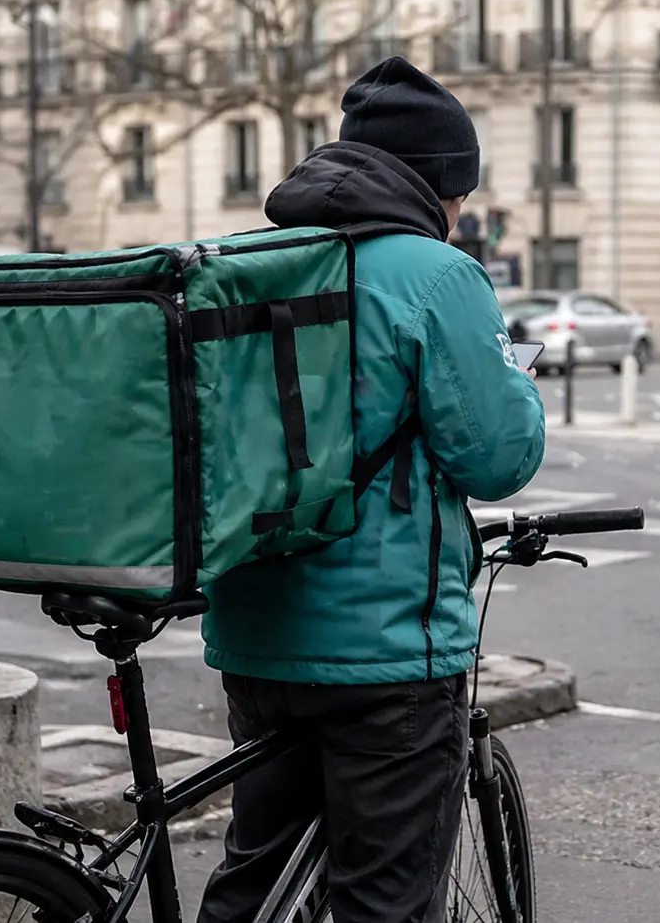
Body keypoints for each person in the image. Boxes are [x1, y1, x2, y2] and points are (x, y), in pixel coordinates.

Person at [195, 56, 547, 923]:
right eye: (460, 194)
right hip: (387, 654)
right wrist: (519, 385)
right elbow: (499, 457)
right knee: (381, 901)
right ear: (439, 187)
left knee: (253, 879)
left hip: (255, 635)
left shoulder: (254, 260)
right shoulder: (435, 275)